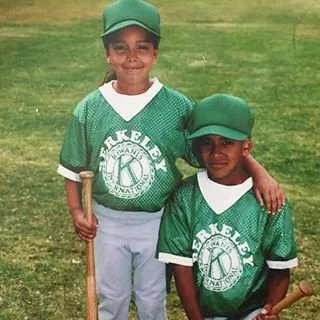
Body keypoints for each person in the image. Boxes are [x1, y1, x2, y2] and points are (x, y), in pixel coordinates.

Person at [57, 0, 285, 319]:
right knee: (112, 297)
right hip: (105, 221)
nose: (132, 57)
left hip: (158, 220)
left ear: (155, 54)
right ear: (108, 54)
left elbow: (214, 150)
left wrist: (259, 172)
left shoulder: (175, 107)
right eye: (121, 48)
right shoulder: (90, 108)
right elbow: (73, 168)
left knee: (152, 298)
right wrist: (76, 211)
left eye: (142, 47)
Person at [156, 93, 298, 320]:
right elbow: (181, 267)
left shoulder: (268, 199)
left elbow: (279, 267)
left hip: (252, 311)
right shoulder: (185, 196)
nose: (216, 153)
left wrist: (270, 308)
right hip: (205, 314)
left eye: (227, 142)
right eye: (207, 143)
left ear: (246, 146)